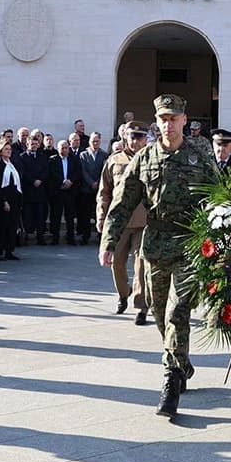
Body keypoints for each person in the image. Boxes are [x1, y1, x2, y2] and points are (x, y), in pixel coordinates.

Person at [99, 95, 216, 419]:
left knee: (179, 311)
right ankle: (181, 360)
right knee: (161, 315)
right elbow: (122, 202)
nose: (168, 124)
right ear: (157, 121)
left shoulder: (199, 154)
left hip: (190, 244)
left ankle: (171, 379)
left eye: (173, 118)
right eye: (163, 118)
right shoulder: (145, 158)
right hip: (155, 245)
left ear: (184, 120)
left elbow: (218, 196)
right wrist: (108, 242)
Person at [98, 121, 150, 326]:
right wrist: (102, 217)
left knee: (141, 266)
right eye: (133, 137)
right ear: (125, 138)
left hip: (143, 221)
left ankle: (141, 307)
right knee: (116, 263)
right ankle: (123, 294)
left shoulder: (151, 160)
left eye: (140, 137)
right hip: (119, 222)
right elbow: (104, 192)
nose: (136, 141)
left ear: (146, 139)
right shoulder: (114, 160)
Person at [0, 138, 23, 261]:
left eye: (10, 149)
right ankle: (0, 251)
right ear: (0, 150)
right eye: (6, 149)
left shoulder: (11, 164)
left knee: (12, 226)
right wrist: (4, 201)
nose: (9, 152)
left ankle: (9, 250)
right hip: (3, 200)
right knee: (2, 226)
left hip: (14, 199)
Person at [48, 138, 81, 244]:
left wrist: (70, 181)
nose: (65, 150)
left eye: (66, 148)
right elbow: (52, 173)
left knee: (70, 216)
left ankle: (70, 237)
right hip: (58, 191)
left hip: (70, 191)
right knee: (56, 215)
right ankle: (55, 237)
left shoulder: (74, 159)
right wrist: (62, 181)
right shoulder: (52, 159)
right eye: (62, 148)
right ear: (58, 149)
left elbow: (77, 172)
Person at [78, 132, 107, 243]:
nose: (95, 143)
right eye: (93, 141)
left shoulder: (104, 155)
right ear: (89, 142)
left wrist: (98, 183)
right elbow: (83, 171)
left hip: (100, 189)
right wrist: (91, 183)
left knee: (99, 213)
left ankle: (100, 237)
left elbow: (104, 172)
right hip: (86, 189)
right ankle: (85, 236)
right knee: (85, 214)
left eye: (97, 141)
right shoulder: (83, 155)